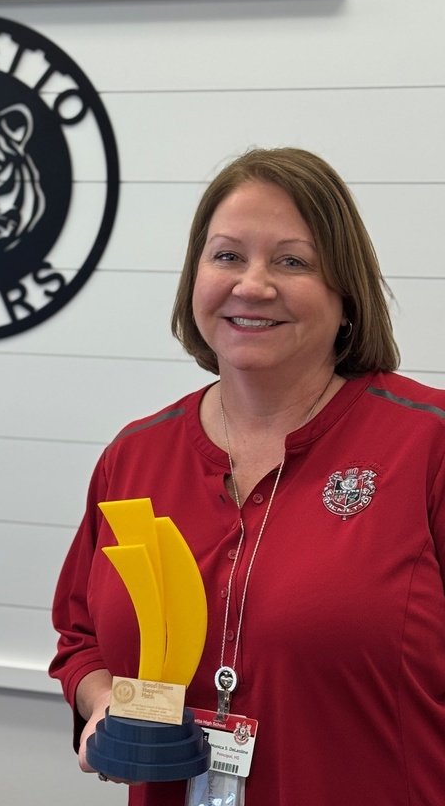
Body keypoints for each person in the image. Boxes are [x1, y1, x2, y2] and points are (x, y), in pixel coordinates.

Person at [50, 147, 445, 806]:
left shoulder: (425, 444)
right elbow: (81, 636)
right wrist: (103, 710)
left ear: (346, 293)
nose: (252, 285)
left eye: (292, 261)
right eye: (227, 255)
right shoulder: (135, 457)